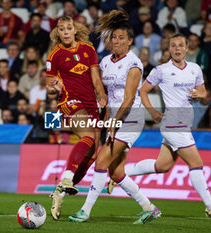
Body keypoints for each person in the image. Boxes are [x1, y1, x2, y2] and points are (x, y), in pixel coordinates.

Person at [117, 33, 211, 222]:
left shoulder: (195, 69)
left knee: (161, 166)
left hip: (184, 124)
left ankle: (120, 174)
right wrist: (153, 112)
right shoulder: (161, 70)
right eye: (173, 46)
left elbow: (203, 91)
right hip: (172, 124)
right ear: (169, 49)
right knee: (196, 164)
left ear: (187, 48)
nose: (177, 49)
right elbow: (142, 91)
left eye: (180, 45)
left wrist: (199, 93)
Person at [69, 10, 160, 224]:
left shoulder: (134, 64)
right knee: (115, 172)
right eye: (114, 37)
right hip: (114, 119)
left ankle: (85, 210)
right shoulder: (105, 63)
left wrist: (113, 124)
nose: (116, 41)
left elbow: (128, 99)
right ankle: (149, 207)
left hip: (131, 119)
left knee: (101, 160)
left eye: (121, 38)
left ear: (129, 41)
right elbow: (107, 96)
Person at [46, 15, 107, 221]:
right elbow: (49, 86)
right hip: (69, 102)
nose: (65, 32)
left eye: (68, 28)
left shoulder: (88, 50)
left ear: (74, 30)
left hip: (91, 104)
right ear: (57, 32)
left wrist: (101, 95)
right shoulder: (54, 56)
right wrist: (53, 89)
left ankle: (60, 193)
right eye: (61, 29)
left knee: (91, 154)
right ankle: (66, 178)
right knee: (88, 135)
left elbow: (96, 77)